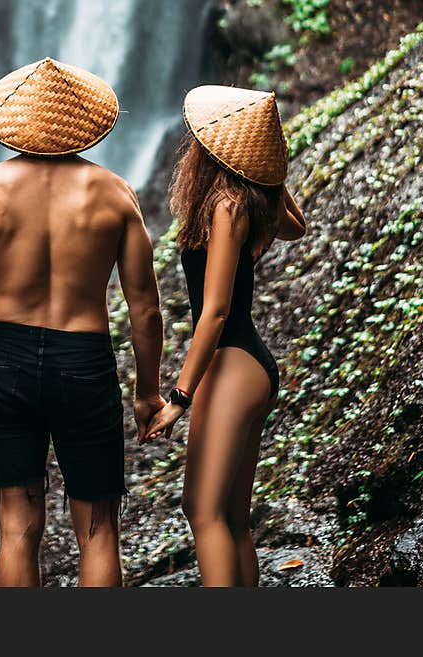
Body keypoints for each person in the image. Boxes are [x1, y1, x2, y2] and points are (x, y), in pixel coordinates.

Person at [0, 58, 165, 587]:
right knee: (99, 531)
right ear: (83, 123)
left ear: (11, 122)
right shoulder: (113, 193)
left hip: (8, 360)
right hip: (83, 361)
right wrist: (147, 392)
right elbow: (146, 308)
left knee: (16, 527)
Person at [143, 85, 306, 586]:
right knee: (233, 519)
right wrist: (271, 175)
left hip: (231, 361)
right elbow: (296, 226)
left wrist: (178, 397)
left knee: (204, 512)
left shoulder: (226, 205)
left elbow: (213, 313)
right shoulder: (253, 202)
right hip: (253, 365)